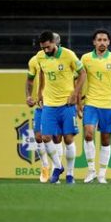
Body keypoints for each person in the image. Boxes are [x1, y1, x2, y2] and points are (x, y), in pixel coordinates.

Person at [35, 30, 86, 184]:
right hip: (49, 104)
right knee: (45, 137)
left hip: (67, 104)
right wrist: (40, 92)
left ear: (54, 43)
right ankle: (58, 167)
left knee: (68, 139)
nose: (46, 50)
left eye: (48, 47)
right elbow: (42, 73)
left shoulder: (69, 55)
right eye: (43, 47)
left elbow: (82, 73)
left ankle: (70, 174)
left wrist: (75, 95)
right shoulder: (40, 56)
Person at [80, 29, 111, 184]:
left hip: (108, 104)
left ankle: (102, 174)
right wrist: (77, 100)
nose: (102, 42)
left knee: (106, 139)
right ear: (94, 42)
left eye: (105, 40)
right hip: (91, 103)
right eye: (99, 40)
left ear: (109, 42)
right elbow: (79, 79)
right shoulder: (86, 58)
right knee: (88, 134)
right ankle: (91, 171)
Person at [25, 33, 60, 183]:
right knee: (39, 136)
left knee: (56, 138)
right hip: (41, 104)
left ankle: (55, 169)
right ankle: (45, 165)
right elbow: (30, 80)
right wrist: (28, 95)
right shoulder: (35, 60)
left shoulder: (64, 59)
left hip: (57, 104)